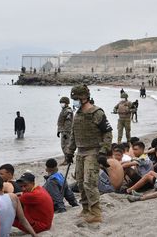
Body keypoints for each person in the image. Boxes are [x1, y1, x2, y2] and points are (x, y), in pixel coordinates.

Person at [65, 85, 113, 223]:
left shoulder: (97, 113)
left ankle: (96, 213)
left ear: (84, 98)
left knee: (89, 183)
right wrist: (69, 152)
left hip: (93, 152)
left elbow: (107, 133)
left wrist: (104, 151)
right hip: (80, 152)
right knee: (80, 182)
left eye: (76, 98)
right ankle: (85, 209)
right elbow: (74, 134)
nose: (75, 101)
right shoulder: (77, 114)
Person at [57, 97, 74, 165]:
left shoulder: (68, 111)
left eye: (62, 102)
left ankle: (67, 160)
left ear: (67, 103)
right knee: (64, 146)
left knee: (65, 146)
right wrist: (59, 130)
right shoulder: (64, 110)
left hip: (66, 132)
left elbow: (68, 123)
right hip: (63, 131)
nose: (61, 104)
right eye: (61, 103)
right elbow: (61, 122)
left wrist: (65, 132)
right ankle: (67, 159)